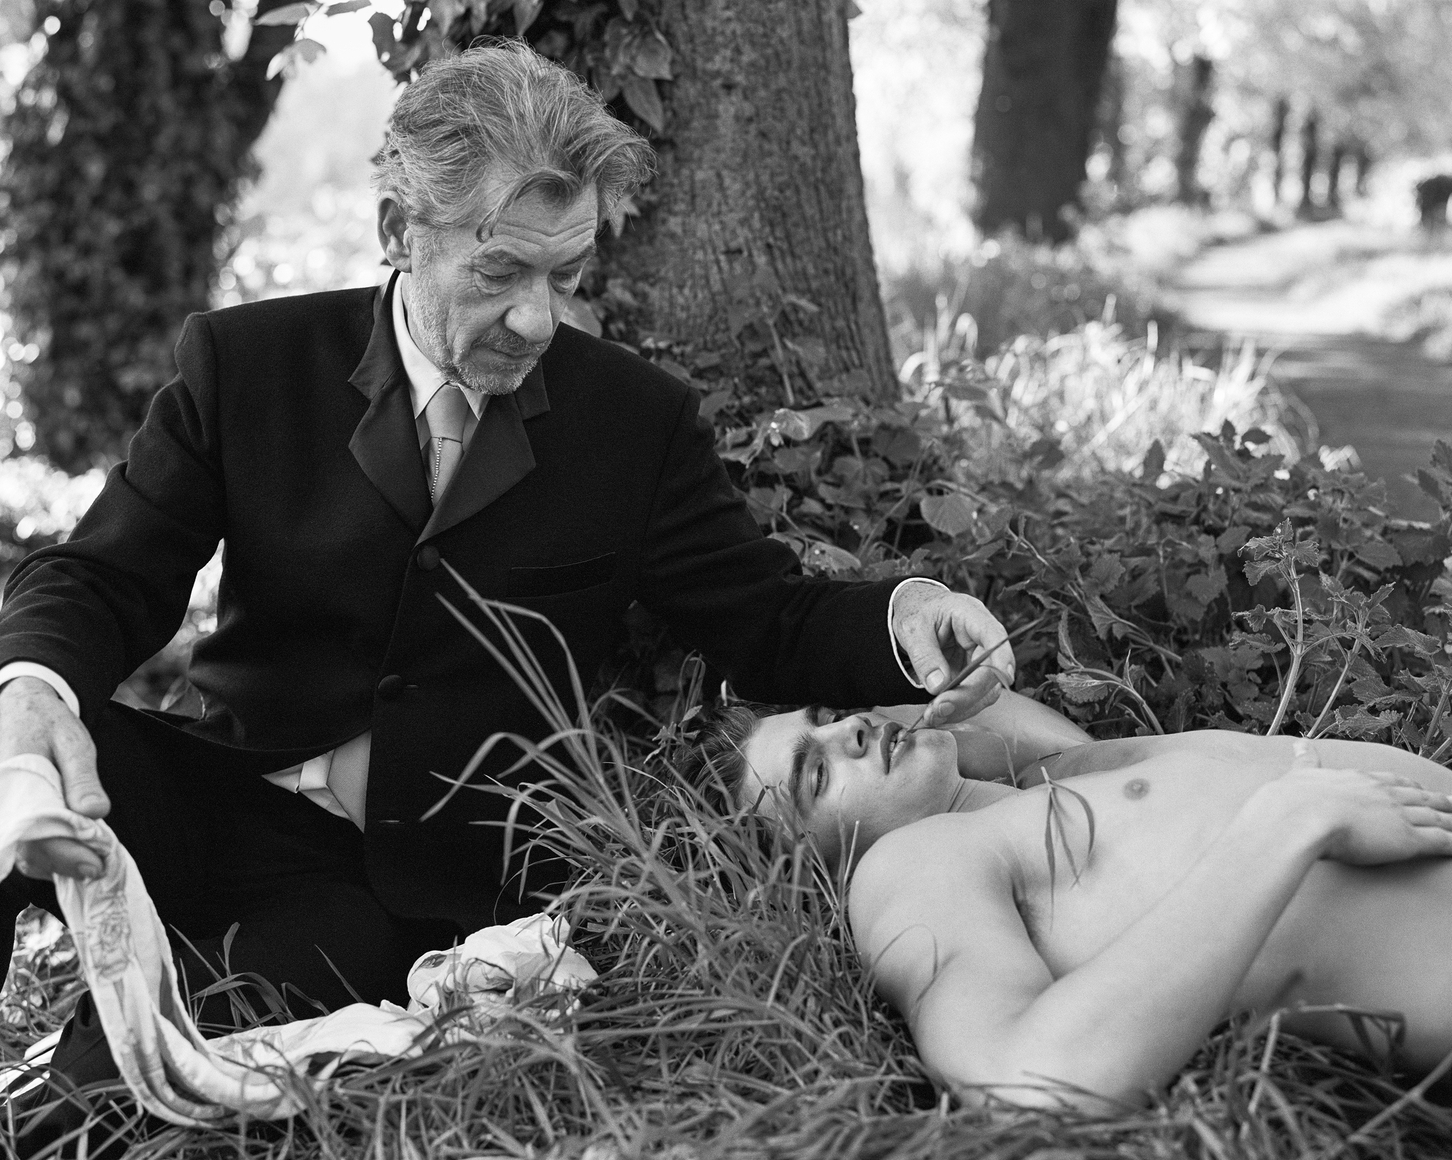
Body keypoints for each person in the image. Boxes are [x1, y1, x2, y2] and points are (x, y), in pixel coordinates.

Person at [0, 42, 1013, 1139]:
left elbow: (765, 619)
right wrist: (36, 689)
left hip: (396, 887)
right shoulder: (245, 364)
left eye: (566, 278)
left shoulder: (636, 423)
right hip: (215, 783)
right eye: (499, 274)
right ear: (399, 233)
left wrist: (906, 617)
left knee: (112, 1088)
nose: (537, 320)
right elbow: (102, 573)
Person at [694, 696, 1452, 1109]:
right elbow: (1024, 1073)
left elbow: (990, 708)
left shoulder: (1045, 780)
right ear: (814, 872)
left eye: (827, 715)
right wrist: (1286, 823)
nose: (849, 730)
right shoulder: (911, 864)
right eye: (814, 773)